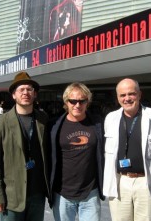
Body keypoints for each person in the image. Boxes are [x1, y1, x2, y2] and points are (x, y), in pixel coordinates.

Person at [103, 78, 151, 221]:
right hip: (119, 182)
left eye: (131, 94)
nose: (127, 98)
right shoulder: (110, 118)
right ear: (117, 97)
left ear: (139, 95)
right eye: (122, 95)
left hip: (146, 182)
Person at [0, 71, 50, 221]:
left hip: (37, 194)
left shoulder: (43, 119)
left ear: (34, 94)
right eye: (21, 90)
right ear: (14, 95)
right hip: (12, 197)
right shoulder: (0, 123)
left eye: (29, 89)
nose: (25, 93)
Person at [50, 82, 104, 221]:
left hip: (90, 193)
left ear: (88, 102)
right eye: (73, 101)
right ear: (66, 102)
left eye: (82, 101)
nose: (77, 105)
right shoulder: (54, 126)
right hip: (62, 194)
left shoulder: (98, 124)